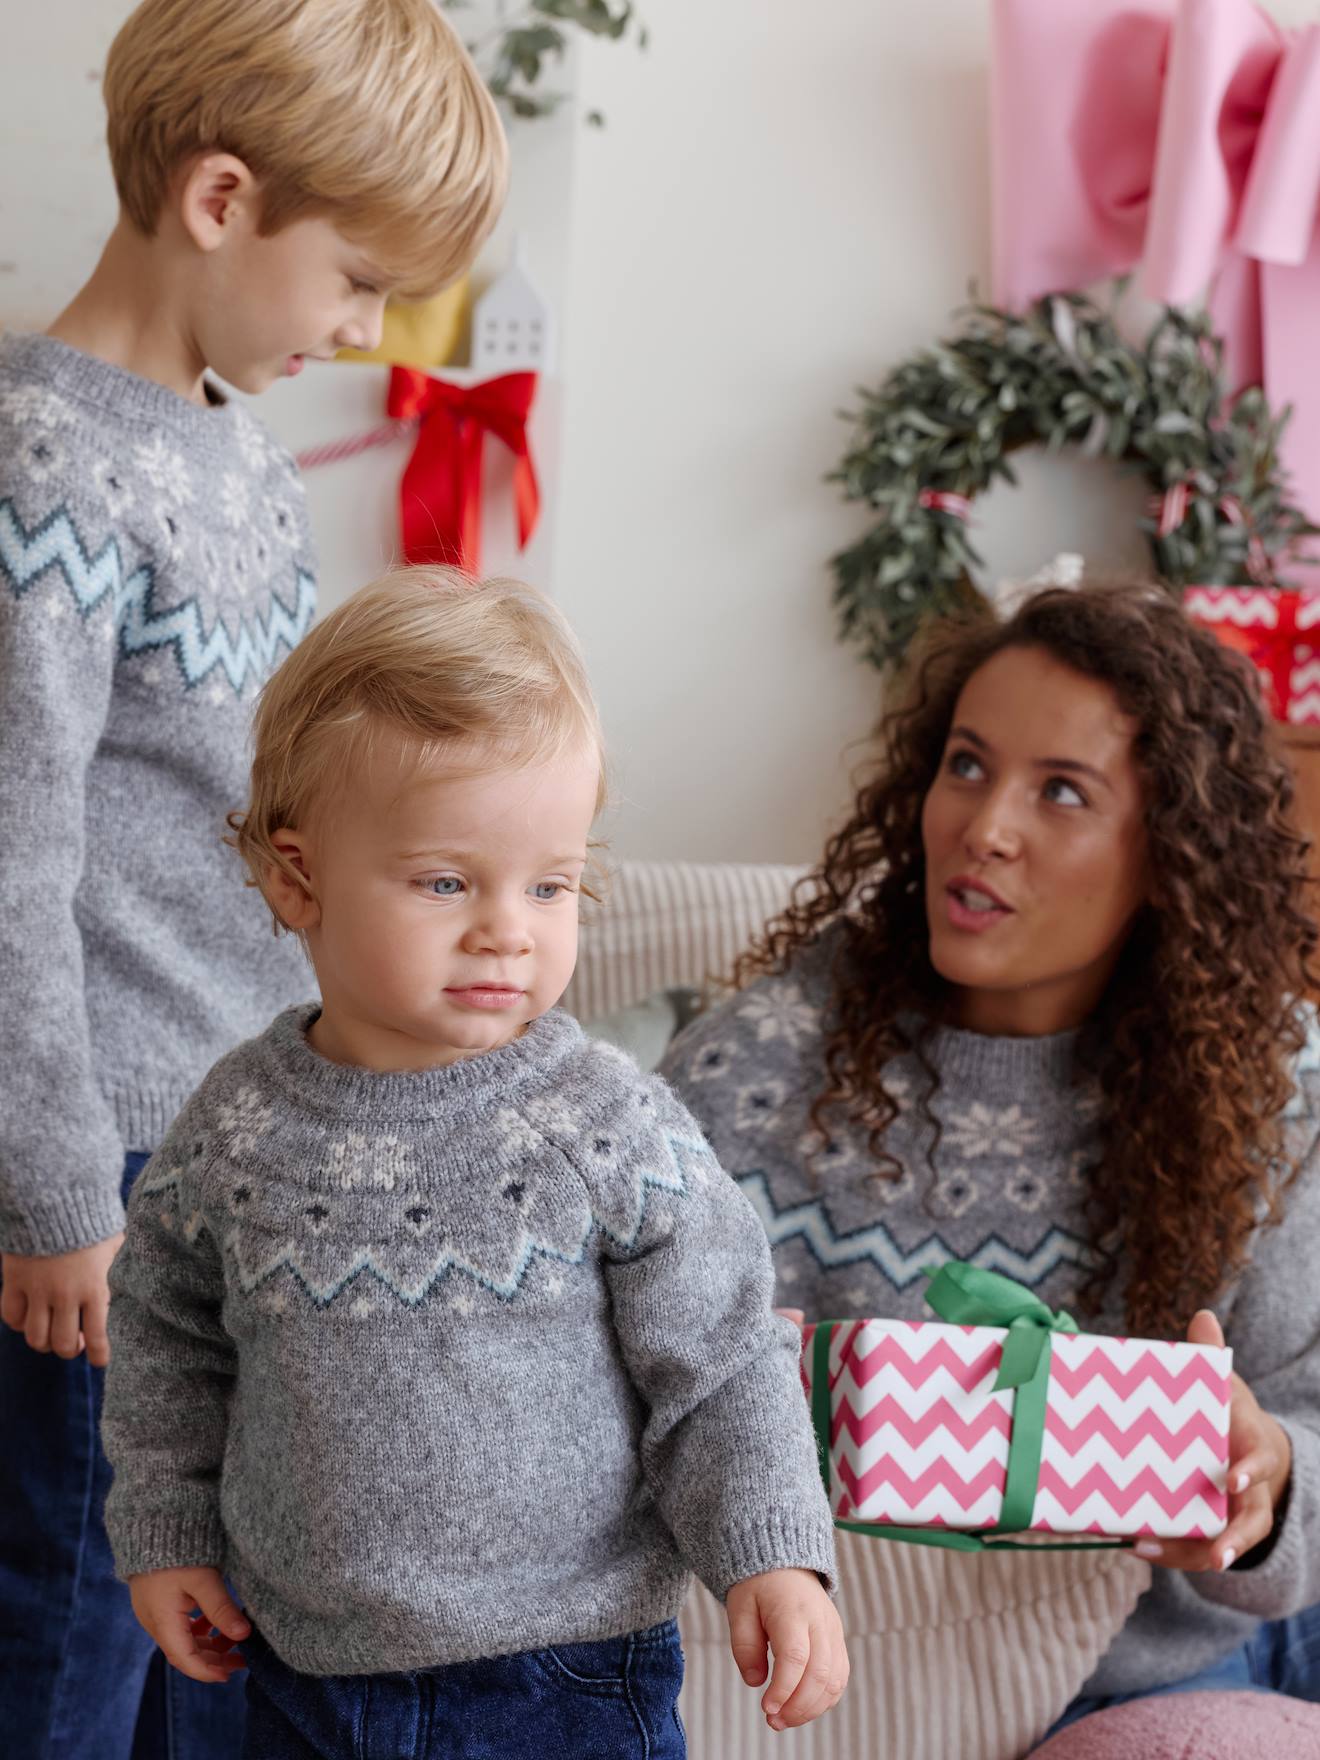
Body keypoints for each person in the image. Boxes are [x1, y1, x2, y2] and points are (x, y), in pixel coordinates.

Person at [99, 567, 849, 1759]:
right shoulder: (235, 1125)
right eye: (447, 881)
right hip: (286, 1665)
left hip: (562, 1673)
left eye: (551, 883)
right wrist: (166, 1525)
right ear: (299, 878)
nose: (509, 926)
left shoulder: (604, 1120)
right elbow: (164, 1336)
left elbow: (720, 1357)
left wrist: (771, 1550)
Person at [0, 4, 507, 1755]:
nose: (364, 335)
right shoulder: (46, 461)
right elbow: (12, 869)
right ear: (221, 198)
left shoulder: (238, 455)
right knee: (69, 1619)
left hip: (232, 1161)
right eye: (357, 282)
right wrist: (55, 1190)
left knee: (206, 1635)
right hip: (99, 1184)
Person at [660, 581, 1320, 1726]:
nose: (983, 823)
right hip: (821, 1695)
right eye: (967, 763)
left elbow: (1307, 1433)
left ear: (1170, 851)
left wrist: (1266, 1478)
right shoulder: (760, 1057)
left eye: (1062, 790)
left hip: (1139, 1685)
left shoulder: (1277, 1105)